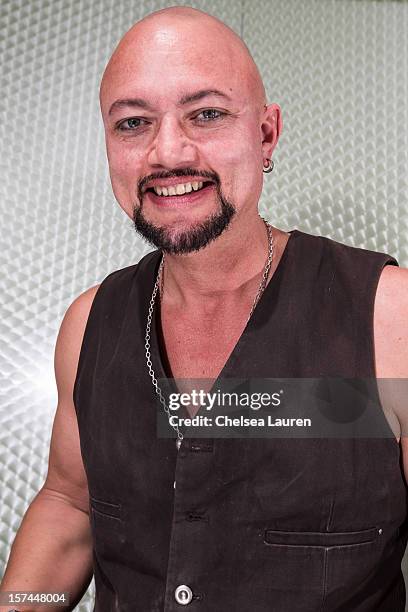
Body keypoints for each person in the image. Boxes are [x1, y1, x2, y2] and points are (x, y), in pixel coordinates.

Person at [1, 5, 408, 611]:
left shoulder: (387, 315)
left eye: (207, 114)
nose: (168, 151)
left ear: (266, 134)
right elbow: (70, 502)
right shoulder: (90, 325)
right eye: (133, 123)